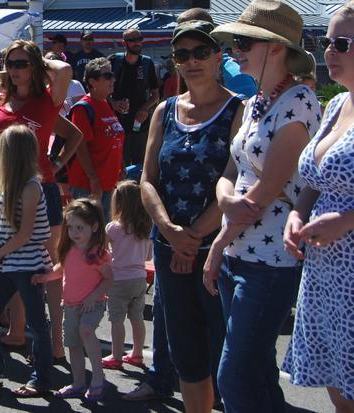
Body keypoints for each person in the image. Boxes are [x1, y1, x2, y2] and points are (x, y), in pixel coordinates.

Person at [201, 0, 320, 413]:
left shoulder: (299, 102)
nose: (235, 48)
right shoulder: (257, 102)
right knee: (259, 377)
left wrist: (216, 245)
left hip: (269, 263)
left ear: (274, 47)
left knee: (234, 379)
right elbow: (229, 172)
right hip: (240, 254)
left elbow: (263, 194)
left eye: (245, 41)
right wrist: (225, 200)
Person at [138, 20, 244, 413]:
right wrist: (169, 230)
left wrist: (194, 236)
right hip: (169, 250)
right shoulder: (164, 111)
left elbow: (237, 181)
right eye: (183, 55)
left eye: (202, 52)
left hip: (218, 251)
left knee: (229, 356)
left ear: (219, 56)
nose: (192, 61)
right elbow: (147, 180)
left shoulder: (238, 110)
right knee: (186, 353)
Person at [0, 39, 80, 359]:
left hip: (43, 188)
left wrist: (59, 163)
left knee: (46, 267)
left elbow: (64, 72)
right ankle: (18, 331)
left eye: (23, 64)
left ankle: (56, 341)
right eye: (10, 63)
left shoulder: (46, 100)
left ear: (35, 66)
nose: (15, 70)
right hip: (7, 191)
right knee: (12, 262)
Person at [282, 1, 354, 411]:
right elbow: (314, 181)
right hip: (326, 273)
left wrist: (347, 219)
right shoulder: (334, 105)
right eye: (324, 41)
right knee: (338, 388)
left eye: (341, 43)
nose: (328, 51)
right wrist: (297, 213)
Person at [0, 125, 54, 396]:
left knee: (36, 322)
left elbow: (26, 232)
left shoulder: (31, 187)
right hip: (4, 261)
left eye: (2, 150)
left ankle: (41, 378)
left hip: (28, 262)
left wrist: (1, 252)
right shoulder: (2, 183)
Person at [36, 199, 113, 401]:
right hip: (69, 305)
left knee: (86, 331)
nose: (74, 232)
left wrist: (94, 297)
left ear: (94, 227)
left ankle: (98, 378)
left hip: (92, 304)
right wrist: (44, 277)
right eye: (70, 227)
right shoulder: (70, 249)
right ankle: (78, 382)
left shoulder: (99, 254)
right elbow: (61, 269)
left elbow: (108, 279)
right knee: (73, 344)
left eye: (80, 227)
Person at [102, 180, 152, 370]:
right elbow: (148, 256)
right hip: (139, 277)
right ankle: (137, 353)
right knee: (137, 318)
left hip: (118, 279)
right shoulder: (145, 229)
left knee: (116, 319)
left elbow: (104, 252)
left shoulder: (113, 228)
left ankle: (116, 355)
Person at [67, 57, 126, 219]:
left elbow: (114, 138)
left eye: (112, 75)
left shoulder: (105, 104)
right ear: (92, 81)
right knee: (89, 235)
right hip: (89, 185)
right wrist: (93, 179)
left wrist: (121, 166)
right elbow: (80, 146)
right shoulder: (83, 108)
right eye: (107, 76)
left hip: (108, 182)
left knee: (104, 234)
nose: (113, 79)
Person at [177, 7, 258, 99]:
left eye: (201, 52)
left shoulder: (238, 77)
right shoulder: (168, 107)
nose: (192, 60)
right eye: (181, 54)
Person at [108, 28, 161, 168]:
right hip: (116, 122)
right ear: (124, 42)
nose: (137, 43)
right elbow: (100, 91)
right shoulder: (114, 61)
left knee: (140, 165)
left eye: (139, 39)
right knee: (119, 164)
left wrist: (145, 108)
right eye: (132, 40)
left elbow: (156, 95)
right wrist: (113, 102)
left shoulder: (147, 63)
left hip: (139, 123)